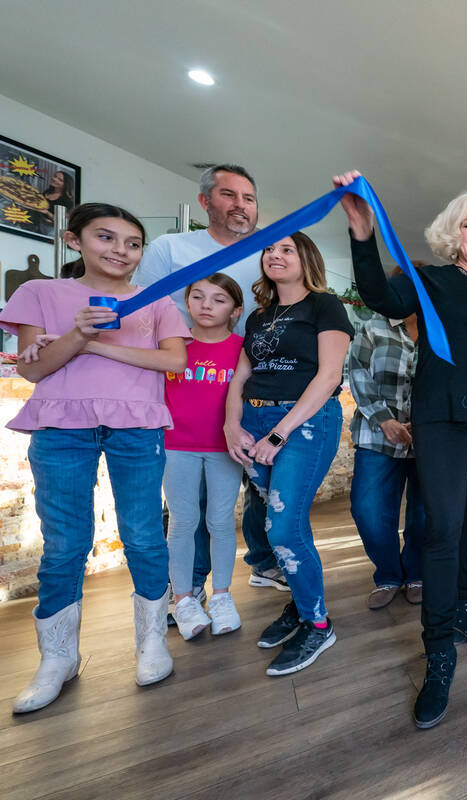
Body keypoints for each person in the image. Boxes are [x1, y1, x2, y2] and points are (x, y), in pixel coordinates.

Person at [336, 171, 467, 729]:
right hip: (441, 423)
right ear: (454, 233)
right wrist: (362, 233)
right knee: (444, 528)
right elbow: (379, 296)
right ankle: (440, 653)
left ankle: (466, 608)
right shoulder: (431, 281)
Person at [3, 203, 189, 713]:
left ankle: (152, 641)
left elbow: (175, 359)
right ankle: (57, 657)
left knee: (145, 533)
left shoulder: (155, 301)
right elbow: (34, 372)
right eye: (106, 238)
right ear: (74, 239)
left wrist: (96, 347)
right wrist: (79, 333)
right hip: (61, 426)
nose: (120, 251)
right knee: (65, 542)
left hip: (138, 425)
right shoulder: (40, 293)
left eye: (132, 243)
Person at [134, 164, 287, 599]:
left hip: (250, 384)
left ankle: (261, 562)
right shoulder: (171, 248)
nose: (241, 205)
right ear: (205, 202)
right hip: (188, 386)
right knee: (189, 504)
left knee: (257, 485)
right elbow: (143, 313)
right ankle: (188, 586)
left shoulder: (265, 255)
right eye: (229, 195)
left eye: (249, 198)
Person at [224, 232, 353, 676]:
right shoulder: (259, 316)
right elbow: (241, 378)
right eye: (269, 249)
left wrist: (278, 434)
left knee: (282, 526)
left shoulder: (325, 306)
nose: (274, 255)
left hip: (304, 423)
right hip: (255, 422)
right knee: (272, 522)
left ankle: (318, 624)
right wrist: (232, 425)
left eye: (286, 250)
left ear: (307, 260)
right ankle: (301, 607)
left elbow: (330, 375)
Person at [164, 273, 246, 639]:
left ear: (235, 310)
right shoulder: (172, 345)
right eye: (197, 297)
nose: (206, 306)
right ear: (187, 303)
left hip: (223, 448)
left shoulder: (244, 348)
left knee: (220, 521)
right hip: (175, 445)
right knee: (182, 521)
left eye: (218, 299)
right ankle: (182, 599)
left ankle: (223, 596)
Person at [347, 304, 427, 609]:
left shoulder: (439, 330)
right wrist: (385, 420)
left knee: (423, 513)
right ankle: (389, 575)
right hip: (377, 434)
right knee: (368, 510)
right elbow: (358, 373)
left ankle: (417, 573)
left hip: (428, 439)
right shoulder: (371, 326)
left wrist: (423, 423)